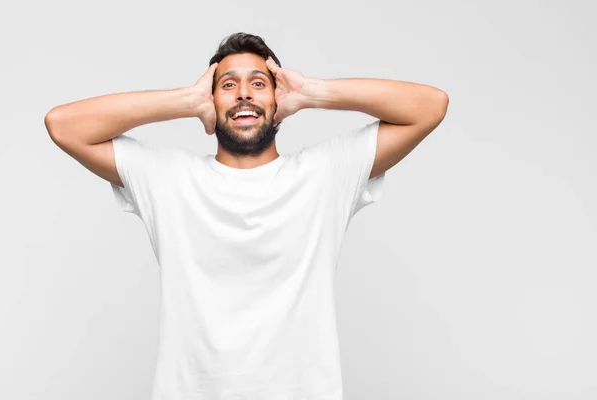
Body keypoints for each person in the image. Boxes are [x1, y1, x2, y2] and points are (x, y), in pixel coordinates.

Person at [45, 32, 448, 400]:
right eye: (227, 85)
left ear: (279, 101)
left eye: (259, 83)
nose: (243, 95)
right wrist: (185, 100)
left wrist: (314, 93)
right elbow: (63, 125)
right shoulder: (168, 179)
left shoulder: (325, 175)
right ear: (211, 101)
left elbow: (431, 106)